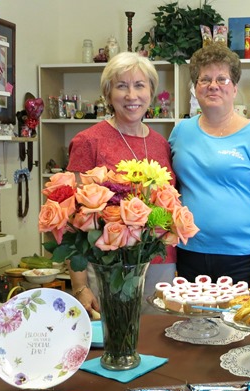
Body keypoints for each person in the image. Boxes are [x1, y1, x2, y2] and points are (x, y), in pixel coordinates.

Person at [66, 52, 176, 315]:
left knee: (156, 334)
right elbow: (70, 217)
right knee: (113, 335)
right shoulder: (89, 141)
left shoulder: (161, 144)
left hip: (160, 262)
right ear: (108, 93)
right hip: (107, 265)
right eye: (122, 86)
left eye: (139, 85)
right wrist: (80, 286)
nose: (131, 95)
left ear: (151, 91)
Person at [169, 42, 250, 289]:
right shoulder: (180, 132)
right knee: (192, 316)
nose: (213, 85)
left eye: (222, 79)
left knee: (239, 317)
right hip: (188, 253)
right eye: (205, 79)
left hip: (242, 258)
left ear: (234, 88)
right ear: (195, 88)